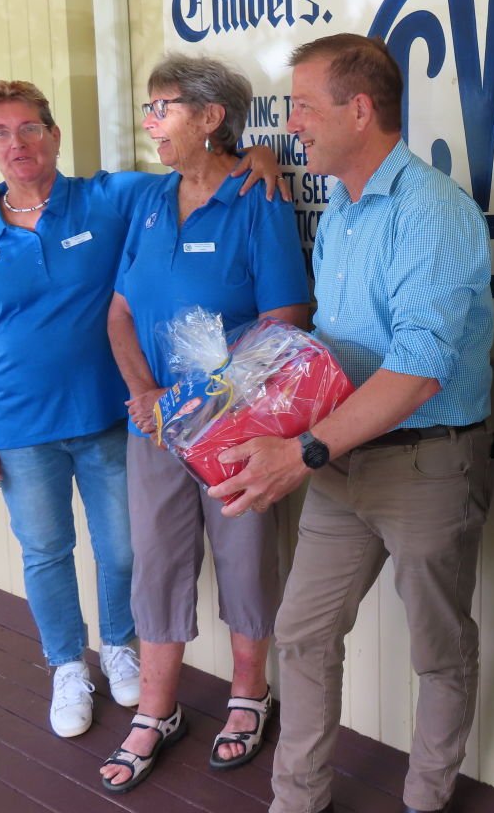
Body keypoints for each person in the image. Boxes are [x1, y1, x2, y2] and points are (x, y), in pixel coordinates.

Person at [207, 33, 494, 813]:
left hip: (423, 464)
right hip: (338, 462)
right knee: (302, 632)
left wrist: (301, 450)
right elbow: (337, 352)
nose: (290, 123)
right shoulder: (341, 206)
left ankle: (426, 799)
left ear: (359, 109)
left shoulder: (432, 210)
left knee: (438, 651)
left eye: (303, 106)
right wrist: (244, 397)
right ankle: (296, 799)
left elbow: (417, 370)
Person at [0, 80, 282, 740]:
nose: (19, 144)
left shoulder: (111, 198)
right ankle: (68, 665)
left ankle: (121, 646)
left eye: (31, 129)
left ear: (55, 135)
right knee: (45, 550)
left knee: (124, 548)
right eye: (2, 133)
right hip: (16, 426)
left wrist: (257, 156)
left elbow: (196, 168)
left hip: (107, 417)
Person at [97, 54, 309, 792]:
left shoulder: (259, 198)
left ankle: (249, 692)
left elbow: (286, 319)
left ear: (210, 117)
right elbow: (121, 311)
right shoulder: (151, 201)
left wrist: (211, 405)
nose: (150, 123)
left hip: (234, 428)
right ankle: (157, 710)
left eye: (163, 109)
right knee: (157, 561)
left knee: (246, 557)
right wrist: (146, 392)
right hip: (154, 425)